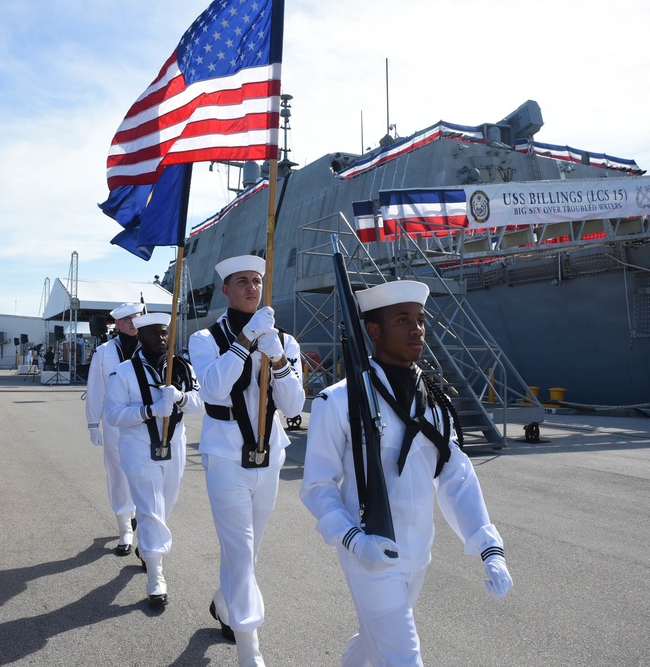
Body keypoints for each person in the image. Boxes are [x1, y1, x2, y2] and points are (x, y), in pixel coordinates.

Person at [299, 280, 513, 667]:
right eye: (403, 320)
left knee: (373, 643)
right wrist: (352, 539)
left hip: (418, 552)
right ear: (374, 331)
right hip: (368, 551)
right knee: (402, 658)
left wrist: (487, 546)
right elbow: (317, 487)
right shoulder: (339, 401)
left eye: (420, 320)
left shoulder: (435, 400)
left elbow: (455, 476)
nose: (417, 329)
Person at [188, 255, 305, 667]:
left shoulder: (283, 339)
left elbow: (294, 404)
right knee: (240, 548)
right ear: (226, 289)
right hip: (225, 455)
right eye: (242, 282)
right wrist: (243, 342)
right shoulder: (204, 338)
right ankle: (249, 650)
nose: (252, 288)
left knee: (250, 549)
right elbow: (215, 390)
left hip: (270, 453)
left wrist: (278, 360)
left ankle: (225, 601)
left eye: (256, 281)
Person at [103, 312, 202, 609]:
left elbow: (202, 404)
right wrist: (148, 410)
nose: (162, 339)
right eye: (155, 334)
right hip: (139, 449)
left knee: (165, 505)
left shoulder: (183, 368)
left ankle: (147, 547)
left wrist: (181, 398)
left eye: (165, 333)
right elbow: (112, 415)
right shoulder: (123, 372)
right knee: (150, 510)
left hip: (174, 448)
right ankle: (156, 576)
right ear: (141, 336)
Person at [85, 303, 142, 555]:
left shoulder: (150, 345)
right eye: (127, 319)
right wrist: (92, 423)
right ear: (117, 324)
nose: (132, 323)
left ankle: (143, 518)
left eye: (136, 318)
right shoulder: (104, 352)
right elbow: (95, 388)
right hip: (114, 421)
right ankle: (124, 528)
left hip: (144, 420)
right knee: (118, 474)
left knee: (145, 473)